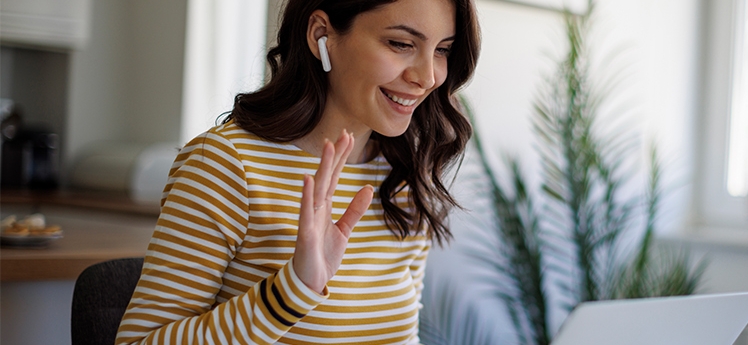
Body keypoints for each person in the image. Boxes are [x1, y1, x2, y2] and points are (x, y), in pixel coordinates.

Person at [115, 0, 479, 343]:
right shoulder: (227, 165)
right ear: (322, 34)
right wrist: (293, 290)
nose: (427, 76)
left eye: (443, 49)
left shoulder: (404, 177)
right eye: (400, 43)